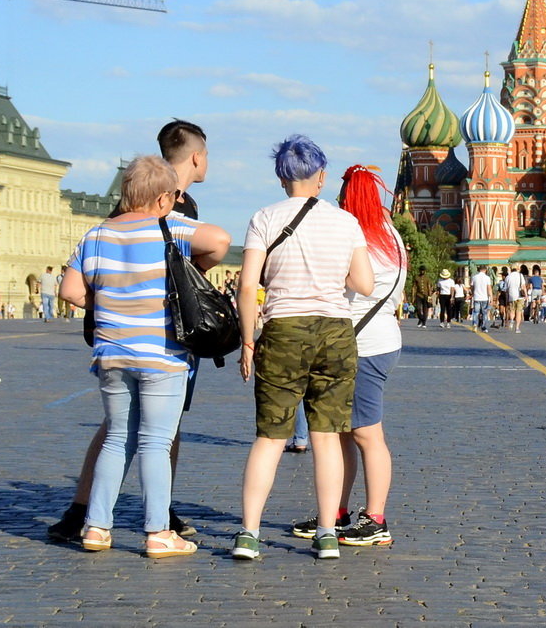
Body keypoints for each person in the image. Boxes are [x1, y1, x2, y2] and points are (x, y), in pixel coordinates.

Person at [48, 119, 217, 544]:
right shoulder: (168, 227)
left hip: (112, 352)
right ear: (164, 198)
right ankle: (159, 532)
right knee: (158, 443)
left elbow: (69, 291)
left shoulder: (96, 234)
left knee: (116, 438)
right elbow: (219, 239)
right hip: (160, 353)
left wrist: (107, 303)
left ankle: (96, 527)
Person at [232, 135, 373, 561]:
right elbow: (364, 284)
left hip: (283, 331)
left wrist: (247, 340)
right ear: (322, 177)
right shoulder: (346, 222)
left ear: (281, 179)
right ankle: (327, 533)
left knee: (270, 438)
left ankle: (249, 534)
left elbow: (247, 284)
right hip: (335, 332)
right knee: (327, 437)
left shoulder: (264, 218)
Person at [325, 164, 406, 547]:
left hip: (363, 345)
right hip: (379, 339)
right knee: (345, 433)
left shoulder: (356, 237)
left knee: (366, 434)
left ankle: (376, 518)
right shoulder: (391, 235)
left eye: (343, 196)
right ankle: (337, 511)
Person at [505, 265, 527, 333]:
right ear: (518, 269)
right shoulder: (520, 275)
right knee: (519, 312)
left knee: (512, 310)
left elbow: (506, 289)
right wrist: (526, 295)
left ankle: (511, 320)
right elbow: (523, 286)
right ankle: (517, 328)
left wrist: (507, 297)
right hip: (520, 296)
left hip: (511, 295)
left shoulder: (508, 277)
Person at [470, 266, 492, 332]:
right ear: (485, 270)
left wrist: (473, 293)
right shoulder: (487, 278)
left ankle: (475, 324)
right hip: (485, 298)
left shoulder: (474, 277)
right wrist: (491, 297)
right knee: (484, 313)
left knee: (476, 312)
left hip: (476, 297)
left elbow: (472, 287)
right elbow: (489, 288)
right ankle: (484, 327)